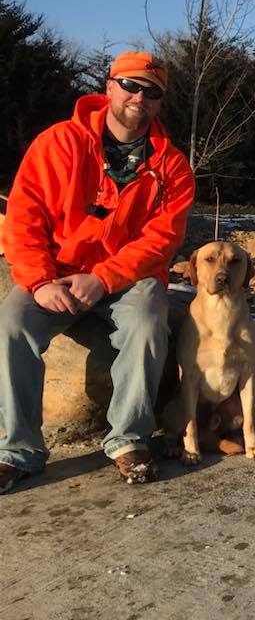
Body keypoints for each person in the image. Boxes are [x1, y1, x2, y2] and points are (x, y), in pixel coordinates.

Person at [0, 51, 195, 492]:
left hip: (127, 279)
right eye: (130, 85)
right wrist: (39, 280)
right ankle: (20, 451)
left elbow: (160, 241)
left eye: (152, 91)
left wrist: (104, 278)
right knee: (12, 324)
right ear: (108, 87)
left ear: (160, 102)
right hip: (57, 274)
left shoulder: (174, 168)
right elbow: (23, 219)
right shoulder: (56, 144)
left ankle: (129, 440)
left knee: (148, 322)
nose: (139, 97)